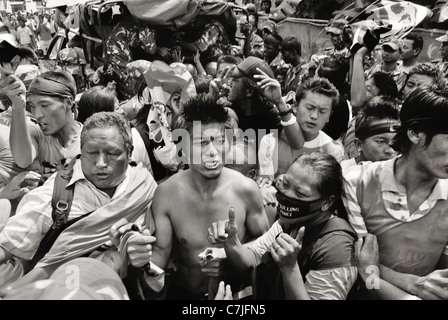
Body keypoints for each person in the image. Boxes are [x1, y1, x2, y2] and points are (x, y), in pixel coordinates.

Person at [112, 94, 270, 300]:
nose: (212, 152)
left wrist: (231, 253)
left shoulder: (246, 190)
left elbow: (266, 248)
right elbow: (160, 254)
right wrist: (139, 258)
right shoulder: (167, 194)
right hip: (185, 294)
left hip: (237, 294)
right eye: (201, 143)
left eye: (220, 141)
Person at [0, 111, 157, 290]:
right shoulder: (54, 195)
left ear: (129, 154)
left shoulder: (144, 188)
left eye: (112, 153)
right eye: (91, 153)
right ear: (81, 152)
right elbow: (8, 244)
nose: (101, 163)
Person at [341, 78, 448, 299]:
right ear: (415, 133)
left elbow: (368, 271)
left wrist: (376, 277)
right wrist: (413, 284)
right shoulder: (357, 181)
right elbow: (360, 269)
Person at [207, 152, 358, 300]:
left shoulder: (337, 247)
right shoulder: (289, 222)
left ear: (327, 202)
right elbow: (252, 260)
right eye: (285, 184)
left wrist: (289, 267)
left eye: (300, 194)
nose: (287, 195)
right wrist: (231, 241)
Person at [0, 70, 82, 183]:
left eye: (44, 105)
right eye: (32, 106)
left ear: (68, 102)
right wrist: (18, 104)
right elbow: (23, 160)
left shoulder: (90, 139)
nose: (37, 114)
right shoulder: (37, 133)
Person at [258, 77, 345, 181]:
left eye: (322, 111)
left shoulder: (333, 151)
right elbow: (265, 185)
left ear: (329, 116)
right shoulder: (269, 141)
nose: (314, 116)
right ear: (295, 106)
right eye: (309, 108)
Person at [341, 96, 400, 169]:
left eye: (395, 142)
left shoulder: (399, 174)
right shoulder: (341, 173)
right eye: (380, 142)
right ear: (359, 144)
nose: (390, 151)